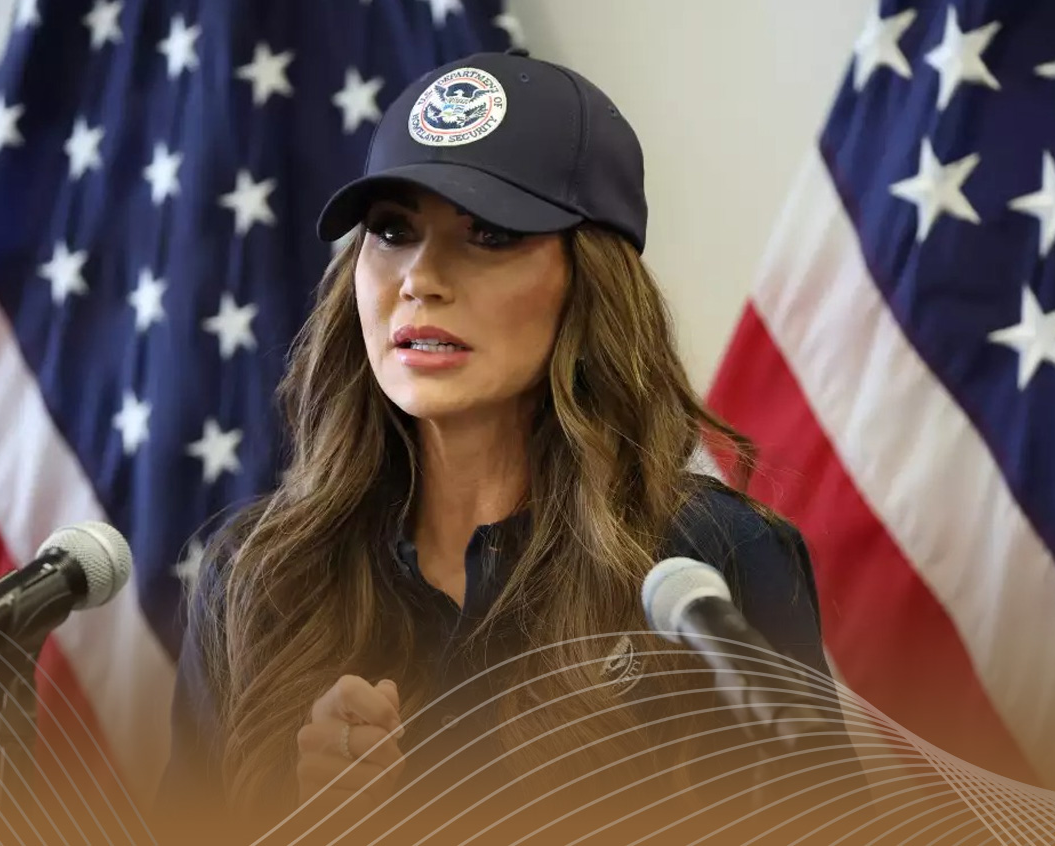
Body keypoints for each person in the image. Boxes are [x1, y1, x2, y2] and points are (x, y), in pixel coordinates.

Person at [157, 49, 866, 845]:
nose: (419, 278)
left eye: (489, 234)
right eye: (391, 230)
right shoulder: (255, 576)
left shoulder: (711, 564)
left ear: (590, 285)